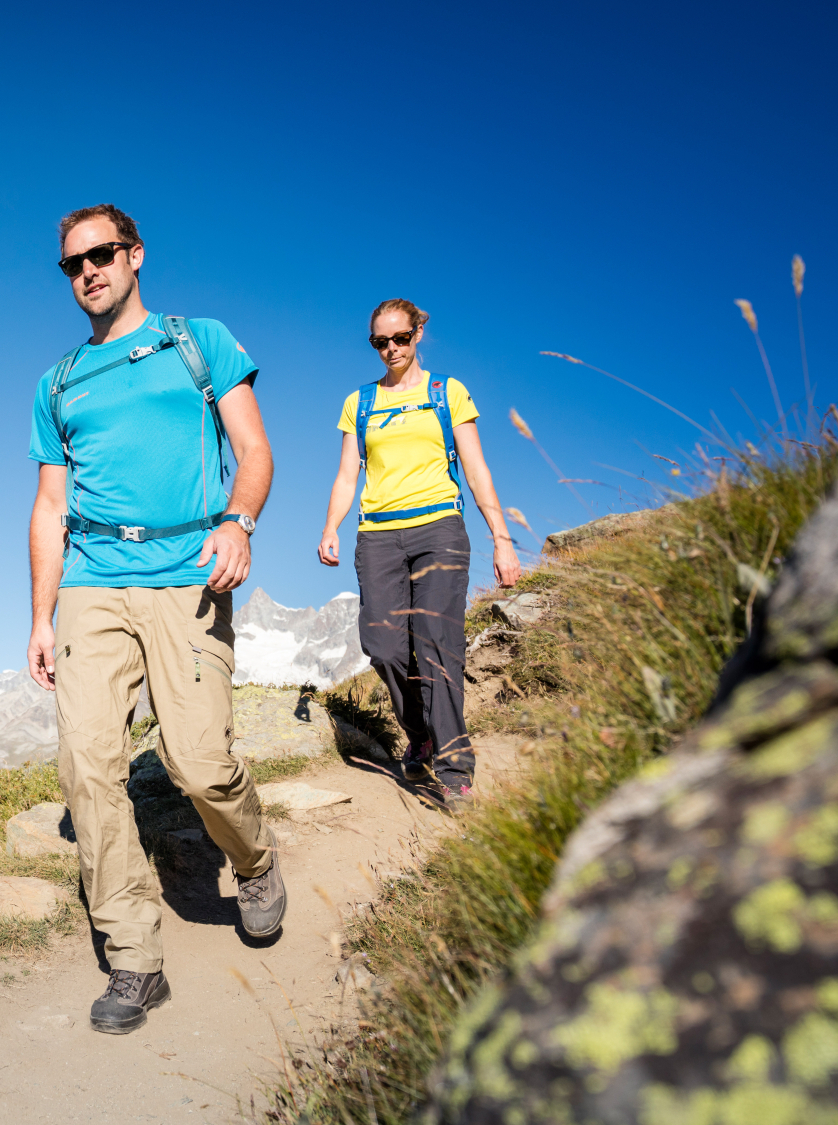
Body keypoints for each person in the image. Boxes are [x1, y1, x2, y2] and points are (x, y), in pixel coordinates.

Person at [26, 204, 284, 1036]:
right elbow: (50, 505)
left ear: (134, 255)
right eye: (72, 263)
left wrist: (238, 523)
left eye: (101, 254)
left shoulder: (198, 341)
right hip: (93, 582)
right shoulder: (58, 383)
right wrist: (41, 615)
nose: (88, 272)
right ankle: (134, 955)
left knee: (198, 763)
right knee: (87, 765)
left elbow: (254, 449)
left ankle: (254, 858)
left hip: (188, 572)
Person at [316, 299, 520, 810]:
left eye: (400, 339)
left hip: (440, 530)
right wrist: (331, 526)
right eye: (380, 342)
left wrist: (501, 538)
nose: (391, 349)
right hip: (378, 536)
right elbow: (347, 474)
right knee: (383, 646)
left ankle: (454, 771)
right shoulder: (360, 402)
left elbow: (476, 468)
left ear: (418, 334)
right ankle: (421, 734)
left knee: (437, 645)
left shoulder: (446, 392)